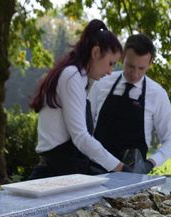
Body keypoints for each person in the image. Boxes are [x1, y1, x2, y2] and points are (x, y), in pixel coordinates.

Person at [29, 19, 123, 178]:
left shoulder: (80, 78)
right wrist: (119, 166)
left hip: (68, 172)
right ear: (95, 53)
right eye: (110, 63)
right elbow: (80, 136)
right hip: (55, 175)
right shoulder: (72, 76)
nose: (109, 71)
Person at [89, 33, 171, 174]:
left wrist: (150, 163)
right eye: (130, 66)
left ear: (150, 63)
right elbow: (86, 129)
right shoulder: (101, 83)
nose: (135, 73)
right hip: (94, 171)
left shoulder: (157, 94)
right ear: (123, 57)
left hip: (133, 177)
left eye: (141, 68)